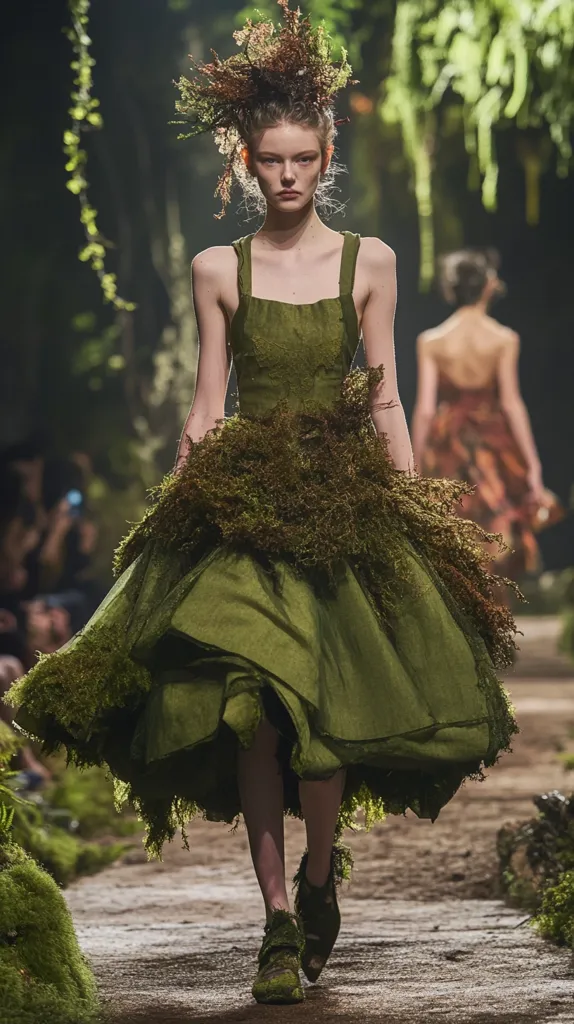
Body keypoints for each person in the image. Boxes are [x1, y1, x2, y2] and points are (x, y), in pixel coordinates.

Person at [10, 2, 517, 1006]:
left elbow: (380, 394)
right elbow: (207, 405)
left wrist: (420, 510)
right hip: (243, 503)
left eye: (298, 159)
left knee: (319, 712)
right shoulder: (216, 269)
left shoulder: (368, 260)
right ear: (246, 164)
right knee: (254, 714)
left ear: (323, 156)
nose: (283, 175)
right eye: (267, 161)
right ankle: (277, 916)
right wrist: (175, 507)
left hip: (339, 501)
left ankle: (322, 870)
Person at [412, 248, 561, 579]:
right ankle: (493, 613)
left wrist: (415, 466)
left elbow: (424, 409)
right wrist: (533, 465)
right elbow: (511, 403)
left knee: (452, 523)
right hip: (490, 442)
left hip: (447, 441)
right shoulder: (503, 339)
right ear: (487, 285)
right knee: (494, 528)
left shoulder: (432, 341)